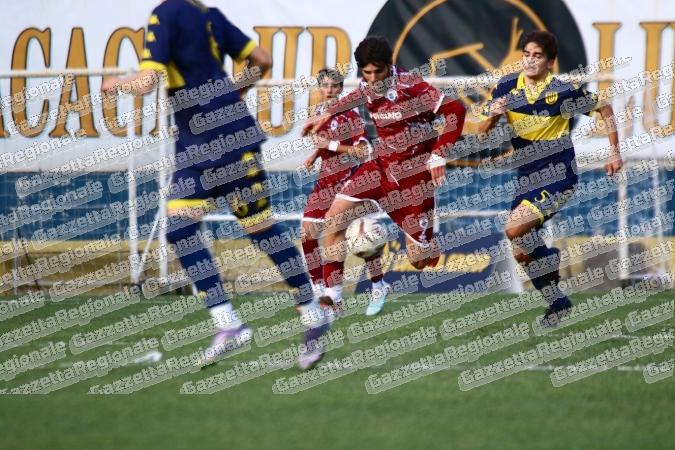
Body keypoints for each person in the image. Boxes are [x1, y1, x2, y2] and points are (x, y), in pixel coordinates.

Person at [102, 0, 331, 369]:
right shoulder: (210, 13)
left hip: (226, 144)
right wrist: (234, 92)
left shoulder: (165, 13)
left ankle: (312, 313)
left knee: (258, 230)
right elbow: (263, 59)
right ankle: (230, 325)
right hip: (201, 146)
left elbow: (146, 82)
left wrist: (115, 84)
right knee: (182, 229)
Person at [302, 36, 466, 308]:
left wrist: (439, 153)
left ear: (390, 65)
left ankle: (428, 245)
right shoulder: (368, 84)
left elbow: (456, 110)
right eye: (366, 73)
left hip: (413, 181)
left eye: (378, 71)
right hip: (380, 169)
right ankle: (333, 298)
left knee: (419, 260)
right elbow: (358, 95)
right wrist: (327, 114)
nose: (372, 78)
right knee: (333, 219)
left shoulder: (411, 86)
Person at [476, 30, 623, 326]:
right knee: (521, 252)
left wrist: (614, 152)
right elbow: (480, 132)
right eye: (526, 55)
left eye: (538, 56)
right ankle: (558, 303)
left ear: (550, 62)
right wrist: (493, 115)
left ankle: (549, 258)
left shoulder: (563, 91)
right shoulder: (507, 87)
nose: (530, 61)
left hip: (558, 174)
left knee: (514, 228)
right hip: (527, 176)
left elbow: (604, 108)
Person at [301, 67, 390, 316]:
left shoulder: (351, 115)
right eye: (325, 85)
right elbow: (326, 143)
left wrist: (328, 145)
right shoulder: (318, 114)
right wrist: (315, 154)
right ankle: (321, 292)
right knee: (307, 235)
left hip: (349, 183)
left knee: (362, 238)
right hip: (325, 182)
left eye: (334, 85)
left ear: (341, 88)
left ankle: (377, 285)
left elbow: (362, 151)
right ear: (319, 88)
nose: (329, 90)